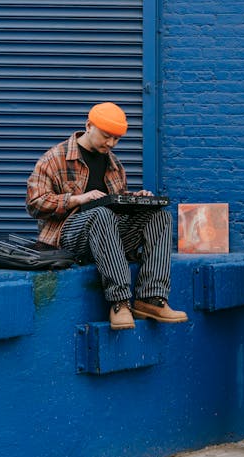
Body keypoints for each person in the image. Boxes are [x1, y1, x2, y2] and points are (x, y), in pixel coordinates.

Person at [26, 102, 187, 329]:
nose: (111, 144)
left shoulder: (114, 165)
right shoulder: (54, 158)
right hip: (68, 238)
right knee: (101, 214)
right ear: (89, 126)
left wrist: (134, 198)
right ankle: (120, 303)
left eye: (116, 139)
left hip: (106, 238)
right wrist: (76, 199)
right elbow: (34, 203)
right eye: (106, 136)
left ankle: (151, 299)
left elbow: (114, 202)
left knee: (159, 216)